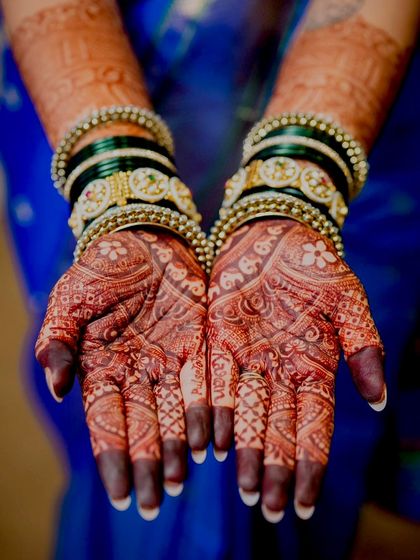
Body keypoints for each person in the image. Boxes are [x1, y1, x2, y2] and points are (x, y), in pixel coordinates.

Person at [1, 0, 419, 558]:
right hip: (124, 58)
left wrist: (294, 188)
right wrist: (117, 180)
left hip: (358, 93)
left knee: (293, 414)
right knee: (127, 393)